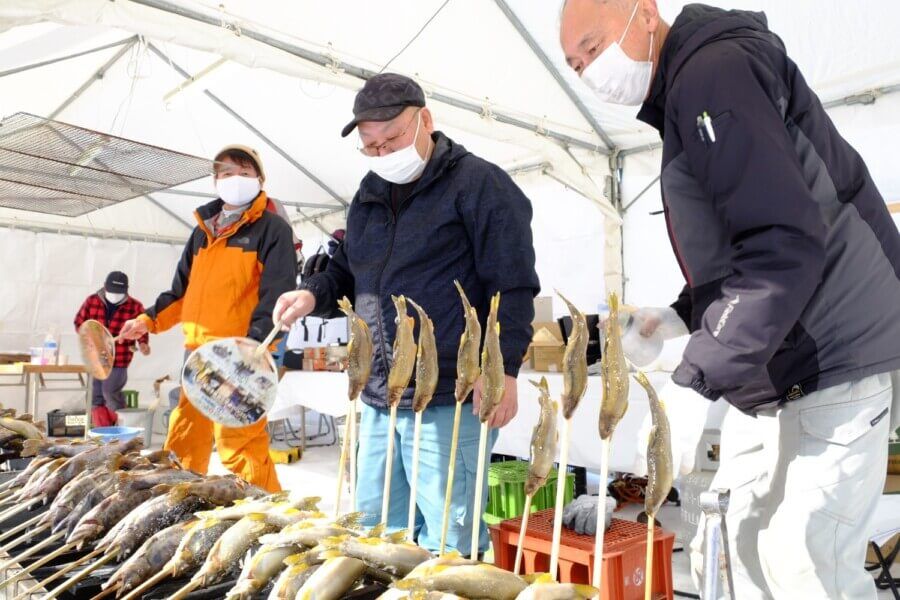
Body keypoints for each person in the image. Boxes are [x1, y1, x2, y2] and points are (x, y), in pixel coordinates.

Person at [560, 1, 900, 598]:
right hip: (778, 359)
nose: (590, 70)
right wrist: (680, 315)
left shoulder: (712, 73)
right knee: (735, 541)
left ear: (645, 13)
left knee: (805, 560)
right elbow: (744, 239)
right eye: (575, 64)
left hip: (833, 350)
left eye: (592, 46)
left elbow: (783, 242)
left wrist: (696, 376)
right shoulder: (686, 93)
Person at [273, 73, 540, 555]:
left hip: (449, 394)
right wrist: (311, 294)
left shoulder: (479, 184)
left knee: (448, 535)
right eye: (370, 146)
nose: (382, 154)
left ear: (425, 121)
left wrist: (504, 369)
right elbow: (347, 268)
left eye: (391, 139)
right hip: (379, 393)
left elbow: (513, 284)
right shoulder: (369, 194)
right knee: (374, 530)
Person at [119, 144, 296, 492]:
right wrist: (147, 320)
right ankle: (180, 501)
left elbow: (277, 296)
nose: (236, 179)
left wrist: (253, 348)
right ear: (215, 180)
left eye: (245, 173)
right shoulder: (202, 231)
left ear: (260, 180)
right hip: (197, 355)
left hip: (239, 356)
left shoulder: (272, 229)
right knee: (185, 435)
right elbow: (181, 293)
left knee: (239, 444)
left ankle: (264, 510)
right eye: (227, 173)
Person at [74, 271, 150, 427]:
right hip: (96, 358)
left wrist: (143, 343)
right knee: (96, 396)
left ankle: (122, 425)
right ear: (104, 287)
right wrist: (90, 338)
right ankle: (104, 431)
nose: (115, 295)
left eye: (119, 292)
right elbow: (80, 323)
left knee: (110, 391)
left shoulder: (135, 306)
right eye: (112, 291)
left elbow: (141, 328)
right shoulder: (92, 301)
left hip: (120, 358)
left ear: (126, 290)